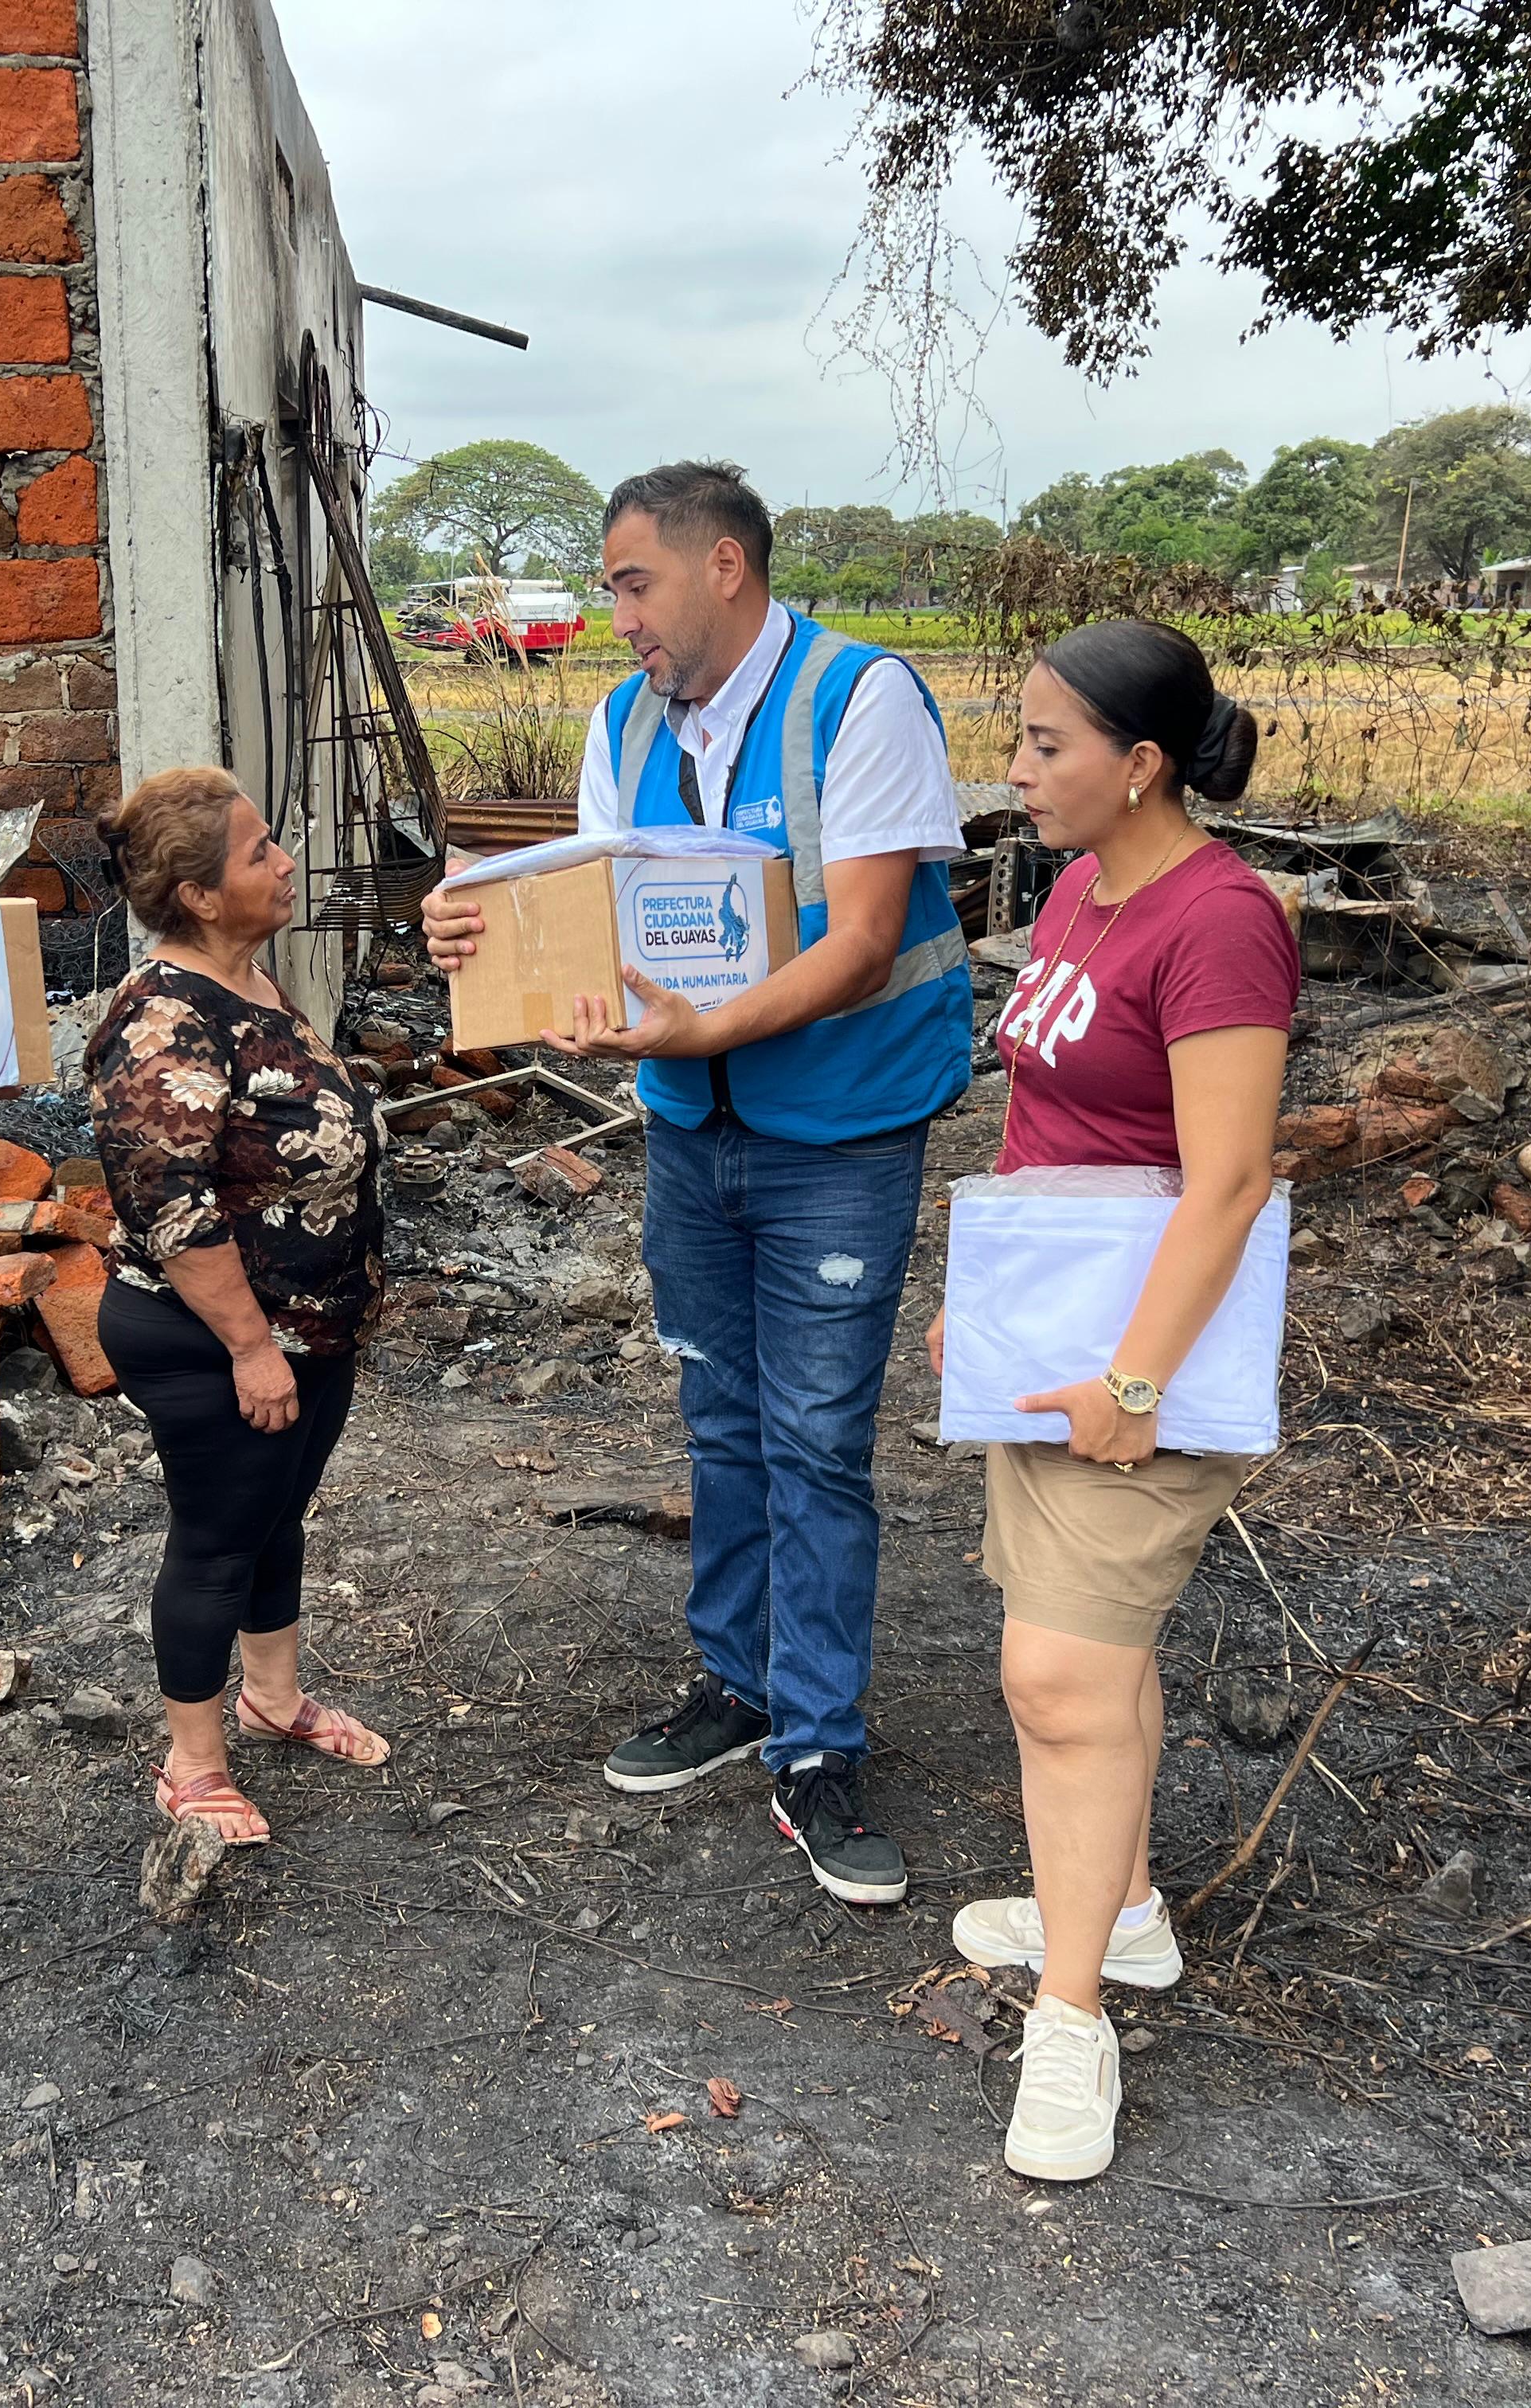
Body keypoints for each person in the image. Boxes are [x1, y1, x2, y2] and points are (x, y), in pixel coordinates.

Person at [421, 462, 975, 1906]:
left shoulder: (860, 701)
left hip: (838, 1134)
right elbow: (589, 920)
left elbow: (862, 941)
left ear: (723, 566)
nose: (618, 619)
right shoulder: (624, 721)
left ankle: (820, 1740)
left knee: (817, 1440)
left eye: (632, 584)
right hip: (692, 1131)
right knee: (722, 1422)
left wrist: (696, 1032)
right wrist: (477, 942)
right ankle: (738, 1682)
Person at [923, 618, 1294, 2179]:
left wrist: (1136, 1382)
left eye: (1046, 744)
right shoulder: (1081, 888)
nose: (1015, 769)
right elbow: (1049, 1123)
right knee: (1096, 1662)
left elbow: (1228, 1183)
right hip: (1056, 1342)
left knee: (1059, 1681)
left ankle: (1072, 2022)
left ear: (1142, 765)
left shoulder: (1222, 921)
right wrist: (985, 1303)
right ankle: (1121, 1910)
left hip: (1142, 1366)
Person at [88, 766, 393, 1843]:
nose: (285, 861)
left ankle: (272, 1698)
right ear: (200, 895)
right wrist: (253, 1349)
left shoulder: (250, 981)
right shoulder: (163, 1019)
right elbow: (169, 1206)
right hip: (214, 1338)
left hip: (306, 1328)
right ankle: (193, 1763)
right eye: (260, 850)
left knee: (272, 1517)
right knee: (217, 1543)